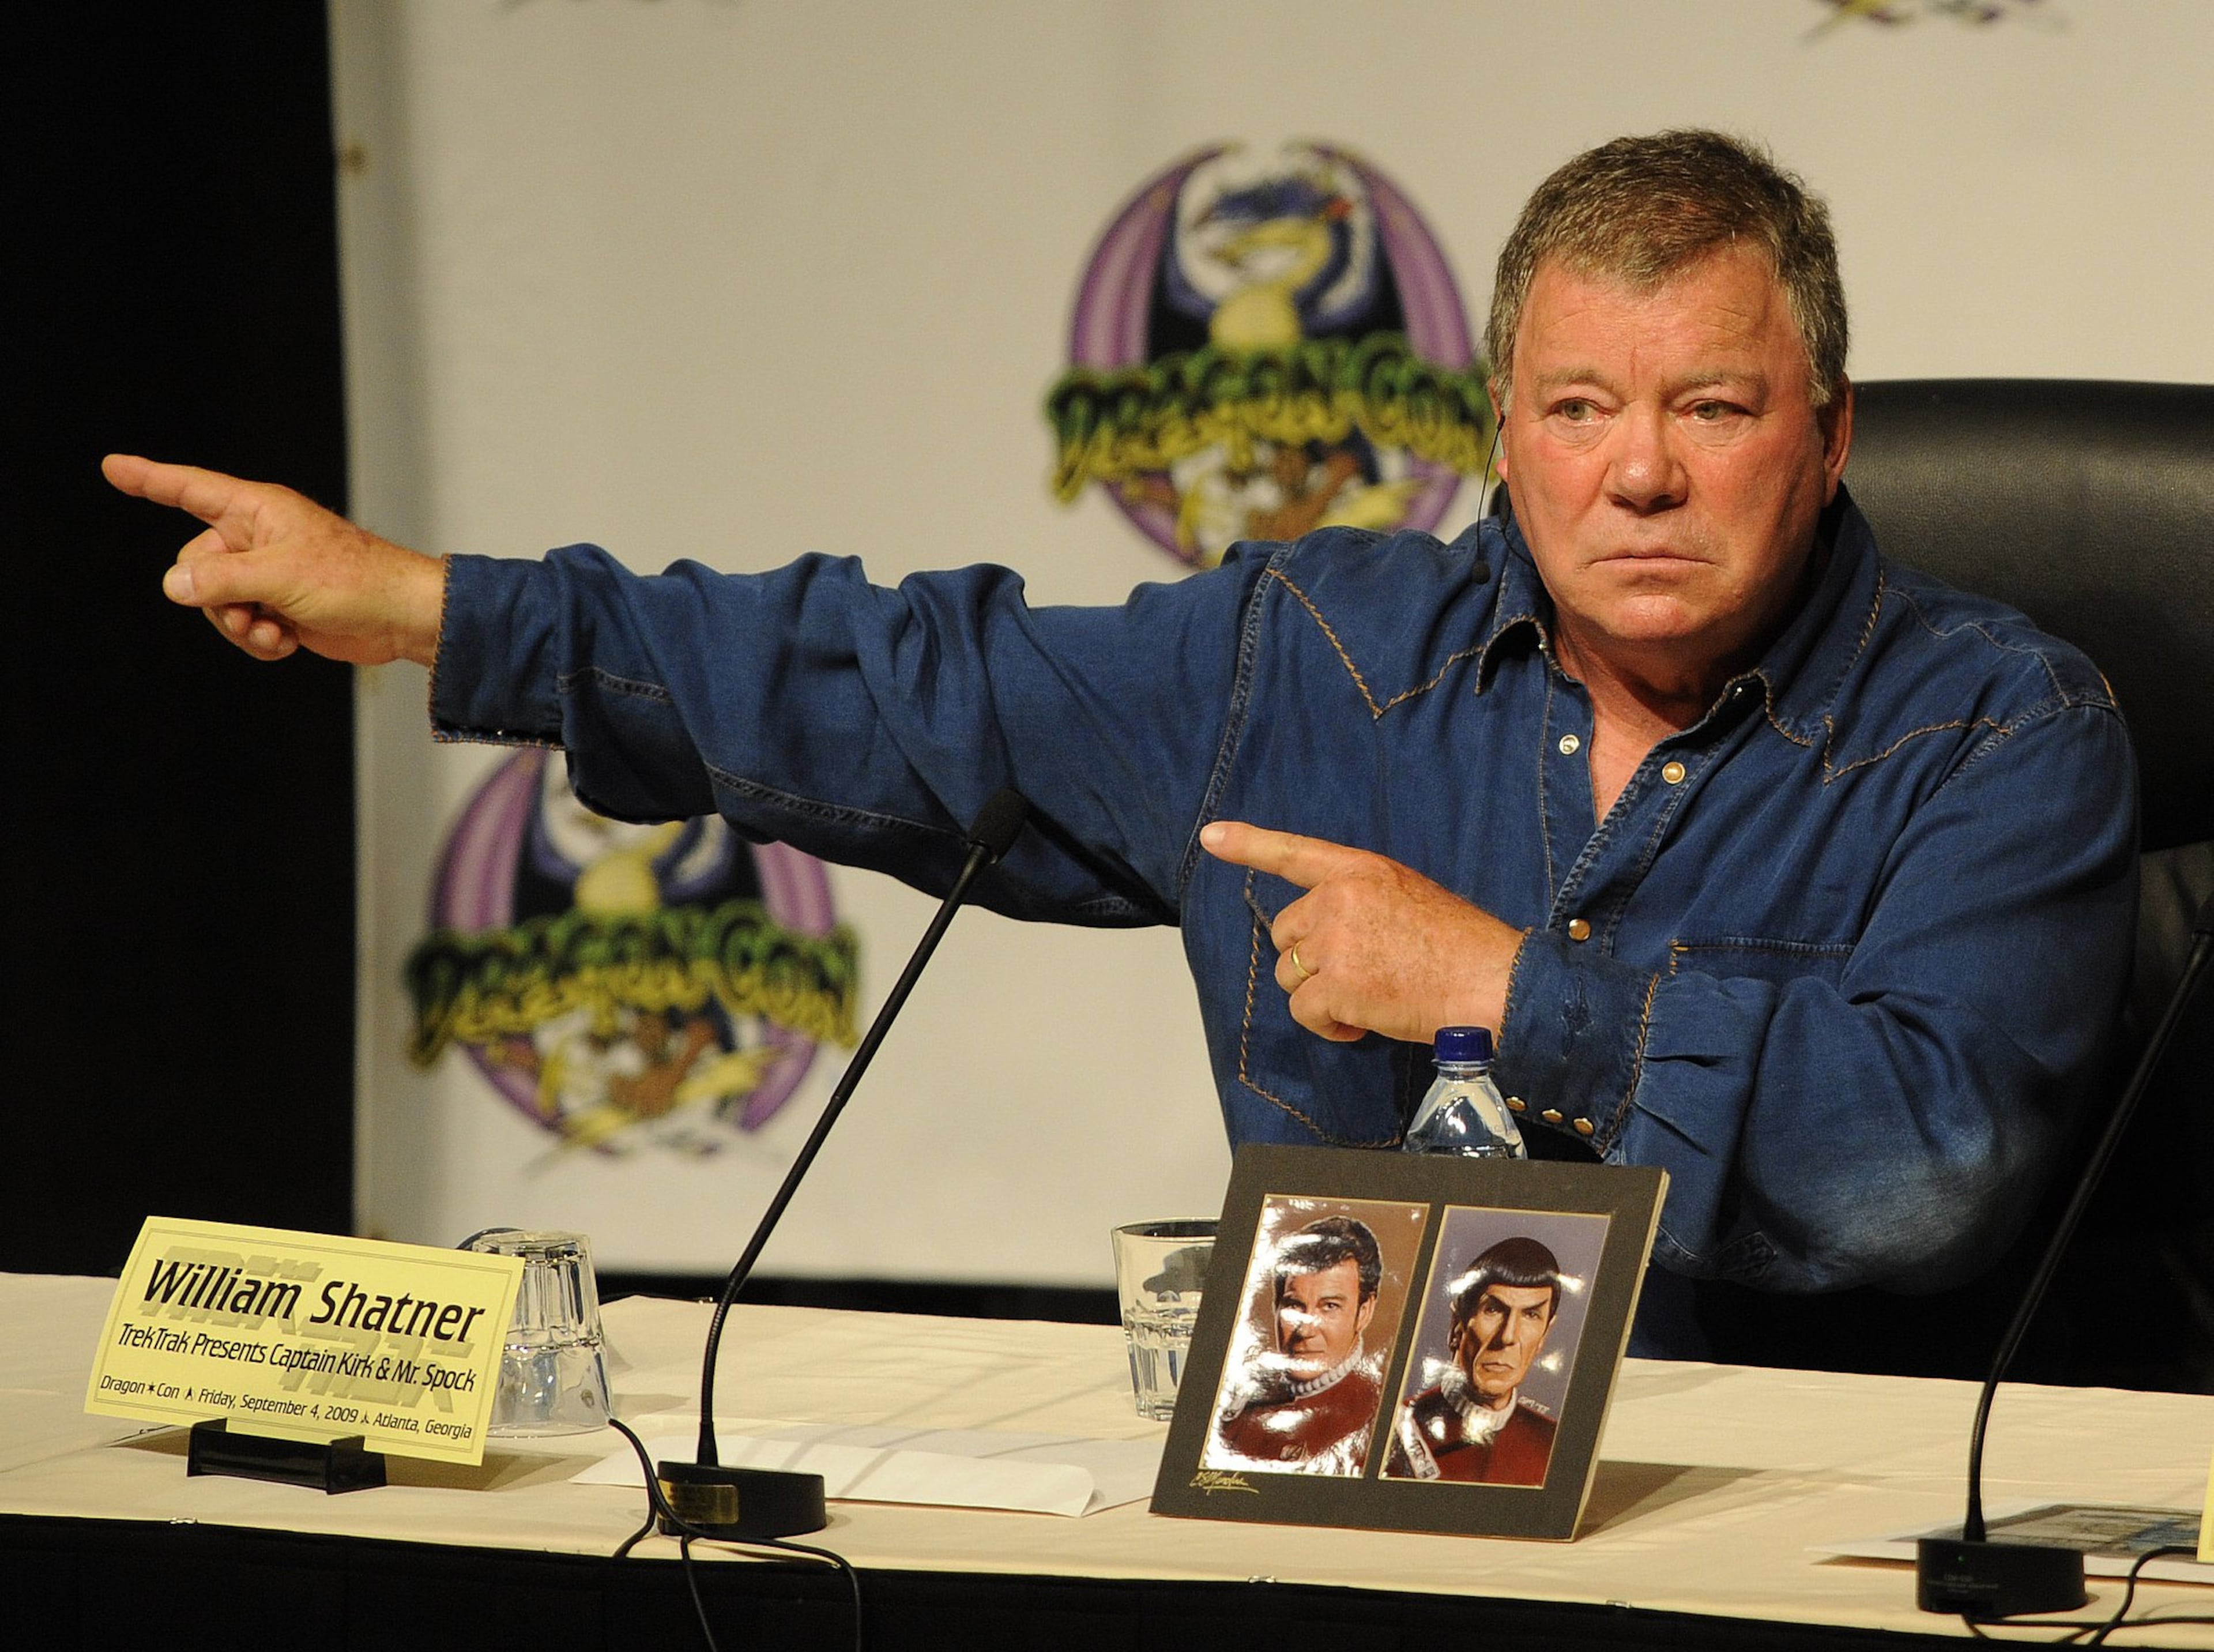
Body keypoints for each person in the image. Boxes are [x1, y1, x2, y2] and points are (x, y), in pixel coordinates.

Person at [103, 129, 2138, 1360]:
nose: (1639, 477)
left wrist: (1507, 991)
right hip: (1370, 1535)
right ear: (1497, 435)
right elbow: (900, 681)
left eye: (1712, 407)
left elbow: (1926, 1165)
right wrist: (447, 608)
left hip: (1801, 1551)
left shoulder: (2004, 728)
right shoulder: (1312, 658)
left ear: (1832, 430)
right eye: (1582, 409)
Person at [1210, 1216, 1387, 1474]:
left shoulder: (1380, 1422)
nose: (1305, 1329)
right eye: (1294, 1305)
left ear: (1364, 1312)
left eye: (1330, 1307)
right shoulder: (1239, 1404)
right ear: (1276, 1307)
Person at [1383, 1236, 1564, 1486]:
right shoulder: (1395, 1428)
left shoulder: (1555, 1444)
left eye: (1531, 1315)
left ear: (1545, 1333)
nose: (1509, 1336)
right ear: (1457, 1323)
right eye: (1493, 1310)